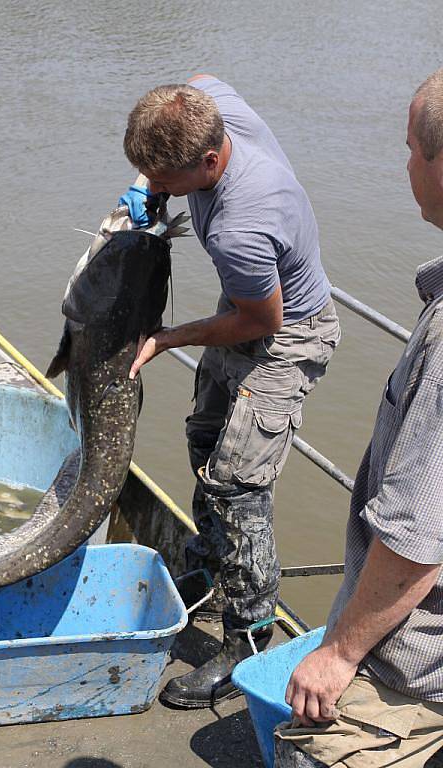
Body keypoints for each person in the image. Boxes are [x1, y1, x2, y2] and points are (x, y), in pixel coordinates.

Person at [118, 75, 340, 709]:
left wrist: (167, 338)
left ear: (210, 161)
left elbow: (262, 322)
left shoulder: (240, 226)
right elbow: (197, 80)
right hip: (247, 306)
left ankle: (247, 635)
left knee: (237, 483)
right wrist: (144, 182)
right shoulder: (215, 110)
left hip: (286, 332)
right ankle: (212, 564)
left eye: (164, 179)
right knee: (203, 438)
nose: (157, 190)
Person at [275, 66, 443, 768]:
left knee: (309, 750)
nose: (403, 163)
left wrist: (339, 652)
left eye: (409, 146)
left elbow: (416, 531)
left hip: (417, 669)